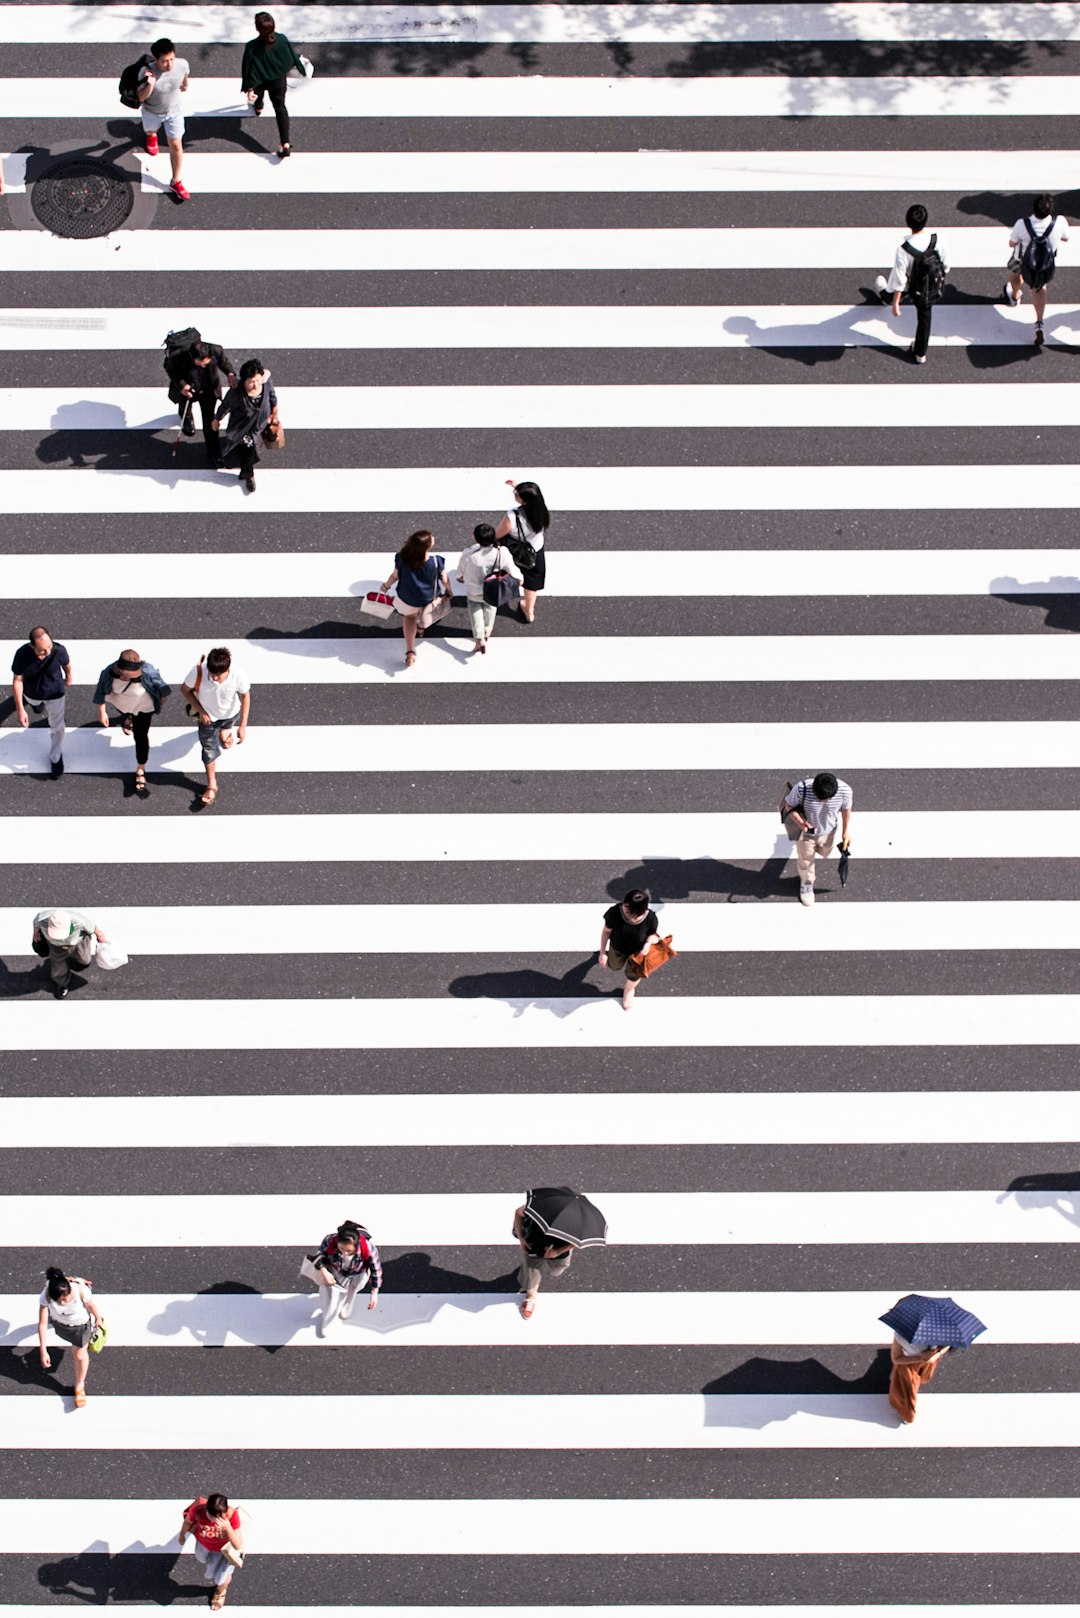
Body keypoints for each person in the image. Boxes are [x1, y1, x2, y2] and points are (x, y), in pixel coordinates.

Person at [873, 203, 948, 364]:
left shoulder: (904, 250)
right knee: (924, 318)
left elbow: (901, 279)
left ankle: (886, 297)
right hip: (931, 286)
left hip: (913, 286)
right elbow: (946, 263)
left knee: (898, 287)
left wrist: (896, 303)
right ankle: (920, 353)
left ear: (908, 223)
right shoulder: (937, 239)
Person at [179, 647, 251, 808]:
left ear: (228, 668)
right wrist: (201, 711)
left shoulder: (238, 674)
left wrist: (243, 725)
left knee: (226, 729)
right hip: (208, 719)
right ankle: (212, 785)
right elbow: (184, 690)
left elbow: (245, 696)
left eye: (219, 675)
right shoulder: (199, 671)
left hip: (231, 714)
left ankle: (225, 732)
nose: (215, 678)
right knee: (209, 749)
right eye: (212, 674)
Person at [93, 649, 171, 797]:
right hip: (122, 705)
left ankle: (141, 767)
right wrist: (102, 711)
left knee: (141, 737)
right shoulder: (108, 672)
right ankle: (129, 718)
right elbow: (100, 690)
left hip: (144, 708)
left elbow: (162, 687)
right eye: (124, 675)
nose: (126, 678)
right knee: (126, 713)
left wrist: (162, 696)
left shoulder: (147, 671)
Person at [1004, 194, 1070, 348]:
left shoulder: (1022, 224)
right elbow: (1066, 238)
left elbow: (1011, 243)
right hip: (1044, 264)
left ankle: (1014, 296)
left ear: (1033, 209)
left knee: (1015, 274)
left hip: (1022, 261)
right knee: (1039, 288)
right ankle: (1039, 323)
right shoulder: (1059, 222)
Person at [381, 529, 452, 668]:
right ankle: (421, 626)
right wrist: (449, 591)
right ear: (427, 547)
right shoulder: (436, 561)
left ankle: (410, 652)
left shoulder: (402, 558)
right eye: (431, 538)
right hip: (428, 597)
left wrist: (386, 586)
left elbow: (395, 575)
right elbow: (444, 579)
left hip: (407, 597)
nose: (433, 537)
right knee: (425, 613)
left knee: (409, 618)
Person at [782, 771, 853, 907]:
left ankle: (810, 868)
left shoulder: (845, 791)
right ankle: (807, 883)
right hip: (806, 834)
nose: (822, 802)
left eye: (825, 800)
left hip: (829, 831)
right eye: (818, 798)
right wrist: (801, 823)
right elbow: (789, 805)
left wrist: (845, 832)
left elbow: (846, 811)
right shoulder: (801, 788)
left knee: (825, 852)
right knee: (806, 860)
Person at [37, 1266, 104, 1408]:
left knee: (79, 1355)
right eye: (58, 1301)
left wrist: (98, 1318)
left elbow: (90, 1305)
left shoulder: (81, 1291)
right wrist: (43, 1350)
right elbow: (42, 1323)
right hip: (60, 1324)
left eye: (65, 1299)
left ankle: (79, 1386)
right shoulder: (47, 1294)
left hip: (80, 1326)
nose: (62, 1303)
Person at [241, 11, 305, 158]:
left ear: (257, 29)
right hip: (278, 80)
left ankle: (258, 106)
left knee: (259, 92)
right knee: (280, 108)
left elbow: (248, 69)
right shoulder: (281, 39)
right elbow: (290, 57)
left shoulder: (251, 47)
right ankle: (285, 143)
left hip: (260, 80)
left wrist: (249, 87)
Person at [11, 625, 72, 779]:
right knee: (37, 708)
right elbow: (17, 680)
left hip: (56, 694)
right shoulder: (22, 654)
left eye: (49, 647)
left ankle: (55, 757)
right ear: (32, 646)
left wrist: (69, 676)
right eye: (42, 650)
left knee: (58, 726)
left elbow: (66, 664)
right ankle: (35, 706)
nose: (47, 652)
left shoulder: (59, 650)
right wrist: (20, 709)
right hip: (32, 693)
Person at [211, 358, 279, 492]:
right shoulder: (236, 393)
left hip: (260, 423)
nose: (255, 385)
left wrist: (274, 409)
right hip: (242, 427)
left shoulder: (266, 383)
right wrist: (217, 419)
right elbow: (225, 406)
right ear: (244, 381)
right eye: (251, 382)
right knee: (249, 448)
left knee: (248, 445)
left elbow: (271, 395)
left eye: (258, 381)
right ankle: (248, 474)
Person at [136, 37, 191, 202]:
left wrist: (185, 84)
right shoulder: (146, 72)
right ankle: (151, 135)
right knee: (150, 129)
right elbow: (140, 97)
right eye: (164, 61)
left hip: (174, 111)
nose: (169, 65)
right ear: (155, 59)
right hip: (152, 112)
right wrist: (150, 84)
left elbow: (185, 74)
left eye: (172, 59)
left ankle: (176, 181)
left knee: (176, 144)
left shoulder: (182, 64)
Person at [165, 338, 237, 462]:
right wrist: (182, 385)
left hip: (209, 391)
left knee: (209, 420)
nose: (204, 365)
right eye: (200, 363)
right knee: (185, 406)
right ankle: (186, 416)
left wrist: (230, 374)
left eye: (206, 363)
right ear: (192, 357)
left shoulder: (216, 350)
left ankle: (213, 452)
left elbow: (224, 363)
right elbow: (170, 369)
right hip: (189, 387)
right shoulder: (179, 355)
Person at [456, 521, 521, 654]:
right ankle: (487, 631)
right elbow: (512, 570)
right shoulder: (501, 552)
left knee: (475, 609)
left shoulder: (469, 554)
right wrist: (519, 579)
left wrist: (460, 577)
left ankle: (479, 638)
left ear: (475, 537)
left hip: (474, 590)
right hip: (493, 589)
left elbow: (460, 573)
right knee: (491, 607)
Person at [312, 1218, 382, 1336]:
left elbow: (376, 1270)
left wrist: (374, 1292)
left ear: (357, 1244)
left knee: (352, 1292)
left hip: (357, 1274)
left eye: (349, 1251)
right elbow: (320, 1255)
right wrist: (324, 1270)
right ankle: (328, 1321)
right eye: (341, 1249)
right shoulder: (330, 1240)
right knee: (332, 1298)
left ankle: (348, 1306)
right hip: (336, 1272)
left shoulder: (369, 1249)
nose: (344, 1253)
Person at [493, 478, 550, 623]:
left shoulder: (512, 515)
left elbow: (499, 534)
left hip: (514, 550)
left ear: (524, 500)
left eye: (517, 494)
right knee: (532, 583)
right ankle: (529, 610)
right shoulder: (542, 511)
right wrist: (519, 487)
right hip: (534, 551)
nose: (514, 495)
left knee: (504, 571)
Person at [177, 1493, 244, 1610]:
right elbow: (188, 1522)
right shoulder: (198, 1510)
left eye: (218, 1517)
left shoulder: (232, 1515)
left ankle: (221, 1591)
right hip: (204, 1545)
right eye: (210, 1515)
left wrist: (228, 1528)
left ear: (224, 1513)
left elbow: (237, 1545)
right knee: (201, 1559)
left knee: (222, 1576)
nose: (213, 1520)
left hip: (223, 1552)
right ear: (206, 1508)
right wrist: (182, 1535)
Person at [599, 888, 661, 1012]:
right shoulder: (615, 912)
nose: (625, 910)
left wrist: (648, 943)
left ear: (640, 910)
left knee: (634, 975)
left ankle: (628, 990)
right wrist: (602, 952)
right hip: (617, 948)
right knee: (614, 965)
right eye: (625, 906)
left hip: (638, 953)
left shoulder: (650, 918)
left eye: (629, 910)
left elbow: (653, 934)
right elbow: (606, 932)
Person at [513, 1201, 573, 1319]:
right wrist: (521, 1239)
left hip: (559, 1251)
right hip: (533, 1246)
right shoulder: (538, 1207)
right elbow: (518, 1213)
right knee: (531, 1275)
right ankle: (530, 1297)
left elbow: (576, 1241)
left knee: (557, 1271)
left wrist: (558, 1251)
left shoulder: (574, 1221)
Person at [31, 908, 108, 1000]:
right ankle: (62, 983)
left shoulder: (79, 921)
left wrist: (100, 936)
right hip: (56, 946)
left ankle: (76, 963)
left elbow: (94, 928)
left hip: (78, 941)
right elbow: (36, 924)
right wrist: (35, 934)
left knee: (85, 960)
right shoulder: (42, 919)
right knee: (58, 968)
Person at [888, 1333, 950, 1424]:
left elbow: (948, 1344)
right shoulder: (901, 1336)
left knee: (908, 1385)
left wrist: (937, 1354)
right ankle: (908, 1415)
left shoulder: (902, 1334)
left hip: (927, 1361)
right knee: (908, 1391)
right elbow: (896, 1358)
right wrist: (922, 1358)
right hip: (909, 1364)